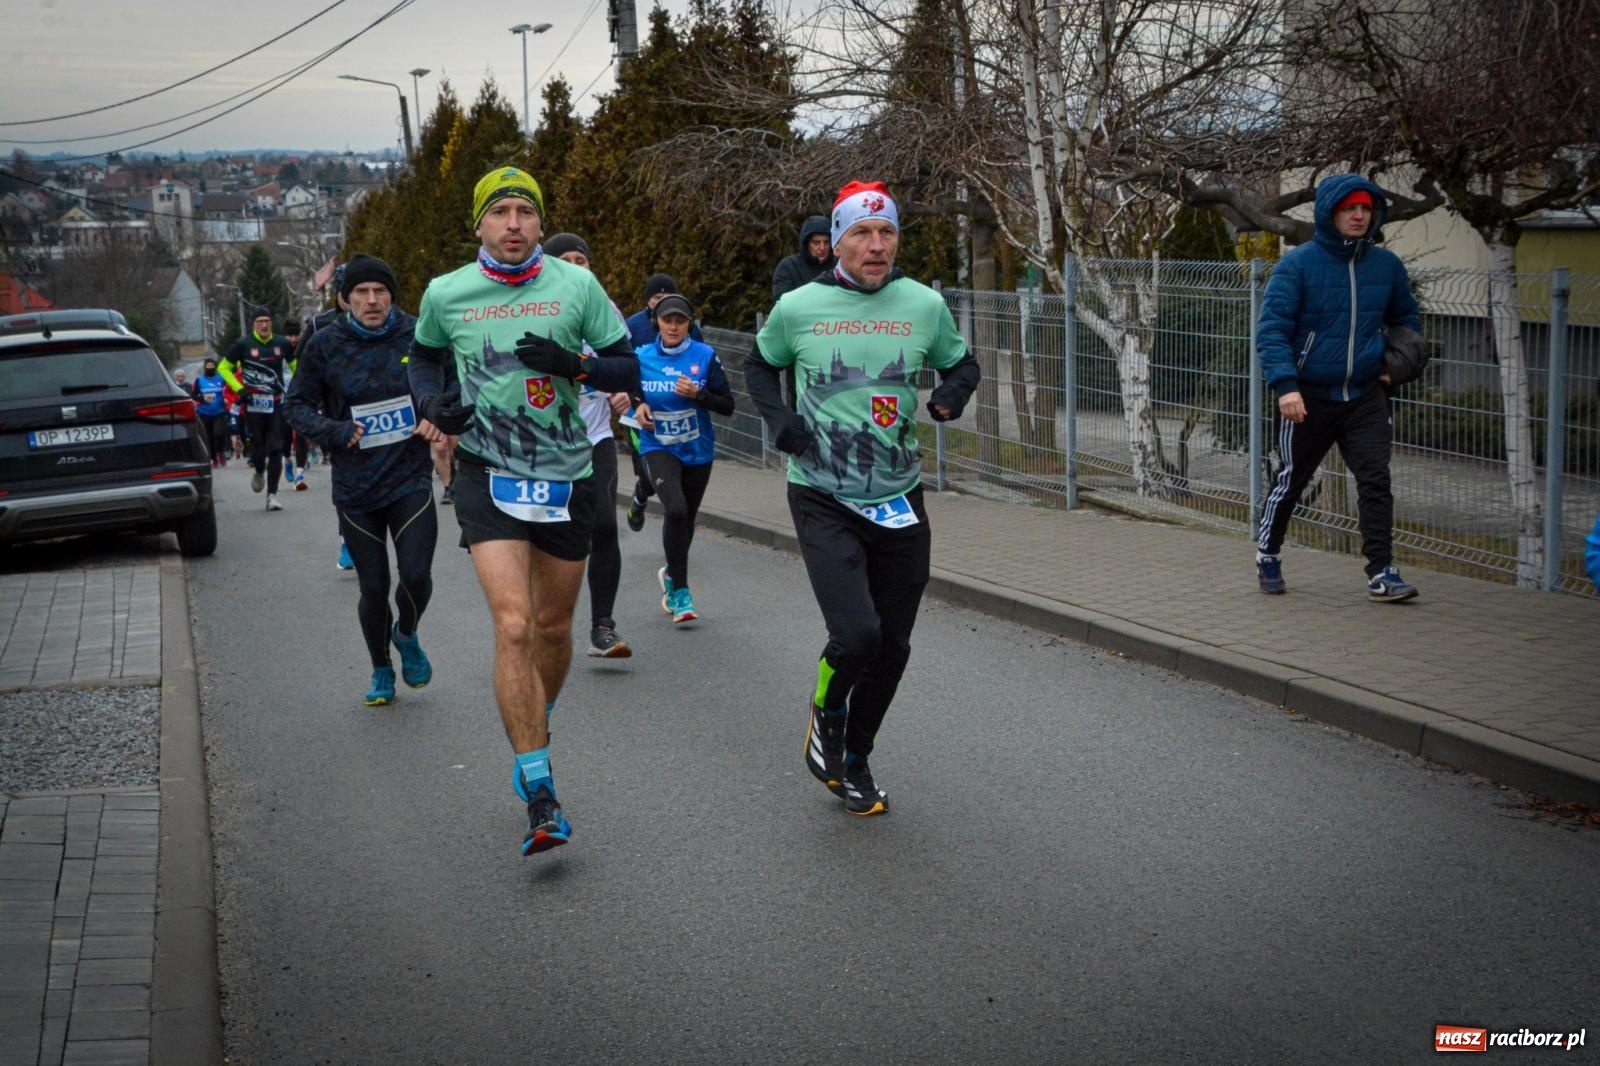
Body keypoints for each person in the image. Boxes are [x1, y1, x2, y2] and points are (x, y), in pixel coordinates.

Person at [407, 166, 642, 857]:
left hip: (567, 473)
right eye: (500, 212)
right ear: (479, 224)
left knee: (551, 627)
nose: (513, 224)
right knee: (513, 626)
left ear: (541, 224)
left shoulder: (577, 286)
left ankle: (534, 723)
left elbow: (628, 369)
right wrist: (430, 405)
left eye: (524, 212)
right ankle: (540, 788)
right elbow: (421, 361)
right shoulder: (446, 293)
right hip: (487, 474)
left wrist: (576, 366)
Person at [745, 180, 979, 817]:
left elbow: (963, 364)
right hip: (822, 492)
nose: (876, 246)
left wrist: (951, 397)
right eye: (861, 234)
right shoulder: (798, 306)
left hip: (899, 493)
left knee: (895, 645)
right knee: (856, 634)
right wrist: (779, 420)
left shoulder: (925, 304)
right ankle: (826, 711)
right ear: (839, 242)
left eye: (887, 233)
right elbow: (758, 366)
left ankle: (857, 755)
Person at [1255, 173, 1422, 602]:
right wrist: (1286, 385)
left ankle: (1382, 571)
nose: (1360, 215)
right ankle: (1268, 553)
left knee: (1375, 479)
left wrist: (1395, 366)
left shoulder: (1386, 266)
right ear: (1331, 213)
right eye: (1351, 208)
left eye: (1366, 208)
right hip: (1308, 397)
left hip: (1365, 394)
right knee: (1291, 479)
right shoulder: (1298, 264)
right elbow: (1272, 330)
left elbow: (1407, 322)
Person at [285, 255, 438, 705]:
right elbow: (295, 405)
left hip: (410, 476)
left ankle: (406, 633)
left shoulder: (418, 334)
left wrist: (435, 415)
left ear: (391, 295)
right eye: (361, 293)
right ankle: (380, 671)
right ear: (345, 298)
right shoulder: (324, 344)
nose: (372, 300)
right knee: (373, 586)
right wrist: (334, 431)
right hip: (356, 489)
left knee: (415, 574)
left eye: (380, 291)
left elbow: (447, 382)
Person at [543, 231, 636, 658]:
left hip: (594, 435)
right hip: (543, 439)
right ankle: (541, 620)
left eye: (583, 259)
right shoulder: (536, 309)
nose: (578, 267)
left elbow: (626, 366)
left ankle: (603, 625)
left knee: (603, 525)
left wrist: (625, 393)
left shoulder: (605, 309)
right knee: (550, 537)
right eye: (567, 260)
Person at [634, 292, 735, 624]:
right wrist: (638, 404)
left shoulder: (704, 356)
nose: (673, 327)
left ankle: (670, 573)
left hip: (697, 449)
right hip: (658, 445)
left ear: (689, 324)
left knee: (686, 519)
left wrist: (699, 394)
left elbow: (727, 405)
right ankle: (681, 591)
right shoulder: (642, 355)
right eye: (667, 320)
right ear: (657, 323)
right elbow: (628, 389)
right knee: (674, 509)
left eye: (680, 321)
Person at [219, 307, 297, 511]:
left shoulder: (282, 343)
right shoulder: (243, 344)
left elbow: (297, 367)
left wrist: (299, 388)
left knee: (276, 448)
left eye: (267, 320)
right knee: (260, 449)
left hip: (277, 403)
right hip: (253, 404)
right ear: (254, 324)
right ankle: (259, 470)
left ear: (271, 323)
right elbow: (223, 368)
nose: (264, 325)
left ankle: (272, 495)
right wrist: (239, 388)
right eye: (260, 321)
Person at [771, 215, 834, 302]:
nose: (822, 247)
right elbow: (782, 302)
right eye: (816, 243)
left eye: (826, 242)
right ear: (806, 244)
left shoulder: (840, 265)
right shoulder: (789, 267)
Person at [191, 358, 230, 466]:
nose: (209, 367)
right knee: (209, 437)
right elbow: (193, 395)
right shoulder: (199, 380)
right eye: (207, 366)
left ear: (215, 367)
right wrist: (203, 399)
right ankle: (214, 458)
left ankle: (221, 452)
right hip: (204, 413)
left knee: (219, 433)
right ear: (204, 367)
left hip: (219, 411)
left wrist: (227, 398)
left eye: (211, 365)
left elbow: (229, 391)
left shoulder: (221, 379)